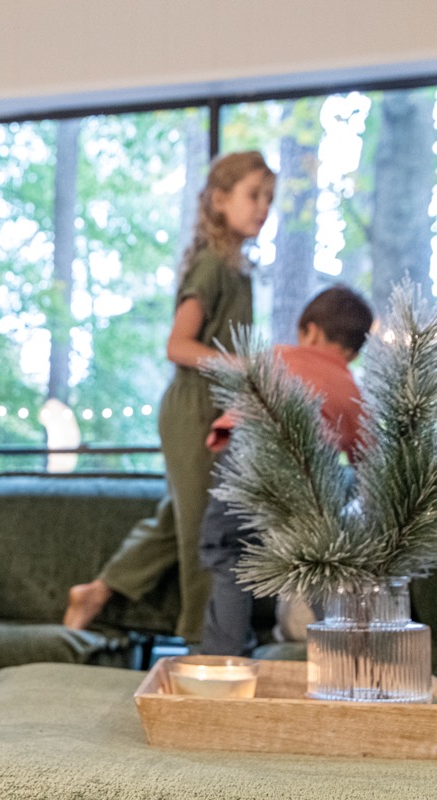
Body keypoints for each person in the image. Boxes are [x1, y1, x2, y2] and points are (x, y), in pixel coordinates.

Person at [63, 151, 276, 642]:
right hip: (194, 407)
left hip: (218, 408)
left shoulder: (239, 272)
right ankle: (205, 643)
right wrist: (243, 365)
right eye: (252, 195)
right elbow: (177, 346)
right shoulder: (210, 266)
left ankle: (98, 590)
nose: (262, 208)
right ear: (220, 201)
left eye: (268, 198)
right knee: (210, 526)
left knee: (176, 516)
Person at [200, 284, 373, 655]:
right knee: (315, 564)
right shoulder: (350, 388)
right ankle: (345, 657)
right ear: (355, 350)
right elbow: (368, 459)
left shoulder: (274, 358)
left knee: (229, 555)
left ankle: (223, 662)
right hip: (310, 466)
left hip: (246, 455)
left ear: (309, 330)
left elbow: (231, 420)